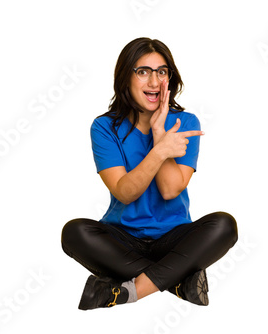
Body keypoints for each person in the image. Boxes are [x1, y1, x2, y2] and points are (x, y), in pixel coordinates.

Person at [61, 37, 238, 310]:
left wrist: (159, 133)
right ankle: (178, 282)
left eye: (162, 72)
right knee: (74, 232)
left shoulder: (186, 122)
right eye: (143, 72)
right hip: (122, 240)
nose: (154, 82)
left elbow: (170, 190)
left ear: (170, 78)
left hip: (174, 238)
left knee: (224, 226)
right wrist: (160, 151)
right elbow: (124, 192)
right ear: (125, 78)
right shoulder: (104, 127)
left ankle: (124, 291)